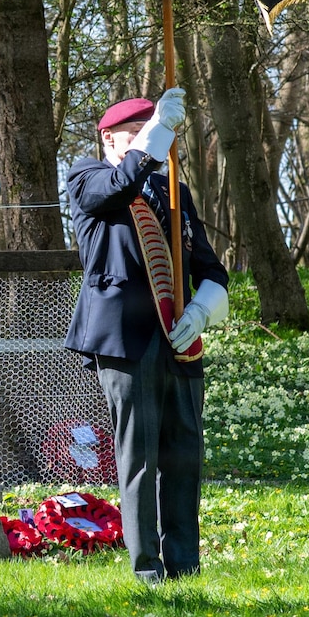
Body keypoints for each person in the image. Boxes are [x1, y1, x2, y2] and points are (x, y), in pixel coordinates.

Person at [66, 91, 230, 585]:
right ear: (108, 138)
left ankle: (184, 565)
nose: (142, 140)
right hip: (126, 338)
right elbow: (120, 184)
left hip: (178, 338)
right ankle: (146, 569)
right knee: (138, 455)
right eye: (133, 133)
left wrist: (201, 312)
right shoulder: (87, 177)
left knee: (183, 454)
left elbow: (211, 268)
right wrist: (158, 132)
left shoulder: (171, 190)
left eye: (150, 129)